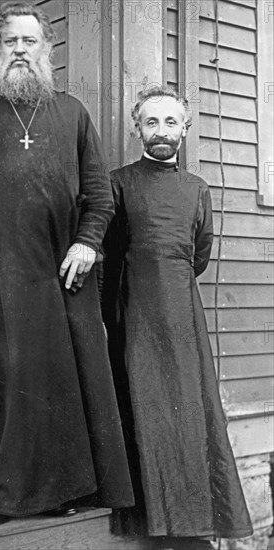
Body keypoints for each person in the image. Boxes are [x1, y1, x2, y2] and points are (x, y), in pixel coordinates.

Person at [0, 1, 134, 526]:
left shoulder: (72, 112)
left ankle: (62, 489)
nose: (20, 50)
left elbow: (100, 195)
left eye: (30, 41)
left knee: (61, 378)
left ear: (48, 49)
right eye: (10, 42)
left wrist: (88, 243)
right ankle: (2, 494)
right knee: (6, 375)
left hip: (63, 271)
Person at [101, 86, 253, 549]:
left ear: (185, 130)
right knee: (145, 405)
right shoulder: (118, 182)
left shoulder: (197, 189)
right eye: (152, 122)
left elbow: (199, 254)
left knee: (188, 409)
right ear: (137, 130)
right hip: (136, 312)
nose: (161, 132)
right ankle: (155, 522)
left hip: (183, 315)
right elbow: (108, 252)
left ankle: (191, 524)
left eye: (171, 123)